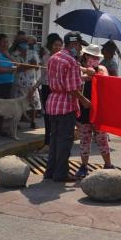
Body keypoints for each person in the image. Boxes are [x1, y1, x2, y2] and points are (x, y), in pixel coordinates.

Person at [45, 31, 90, 182]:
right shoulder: (71, 61)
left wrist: (83, 75)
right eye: (78, 45)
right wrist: (84, 100)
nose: (79, 49)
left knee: (54, 140)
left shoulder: (54, 57)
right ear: (74, 44)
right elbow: (71, 89)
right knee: (64, 141)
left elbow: (62, 79)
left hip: (53, 103)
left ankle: (50, 172)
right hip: (65, 105)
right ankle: (61, 174)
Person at [76, 44, 113, 178]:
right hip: (83, 110)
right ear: (86, 56)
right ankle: (83, 166)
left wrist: (90, 73)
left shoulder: (101, 69)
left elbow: (103, 78)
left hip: (98, 111)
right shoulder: (78, 69)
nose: (95, 59)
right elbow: (77, 80)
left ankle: (108, 164)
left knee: (102, 139)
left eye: (97, 57)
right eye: (93, 56)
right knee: (85, 140)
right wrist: (84, 71)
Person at [11, 38, 41, 129]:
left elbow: (36, 67)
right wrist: (30, 66)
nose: (26, 46)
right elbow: (16, 68)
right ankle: (17, 123)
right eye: (23, 44)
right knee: (17, 104)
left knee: (34, 103)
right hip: (19, 83)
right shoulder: (14, 55)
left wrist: (30, 66)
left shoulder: (33, 53)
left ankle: (33, 121)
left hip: (32, 82)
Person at [40, 33, 63, 147]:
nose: (58, 48)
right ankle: (47, 143)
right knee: (47, 116)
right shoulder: (45, 57)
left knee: (57, 116)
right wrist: (34, 87)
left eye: (60, 45)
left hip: (58, 90)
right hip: (46, 88)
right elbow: (43, 76)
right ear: (50, 45)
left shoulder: (64, 59)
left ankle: (55, 142)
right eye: (55, 45)